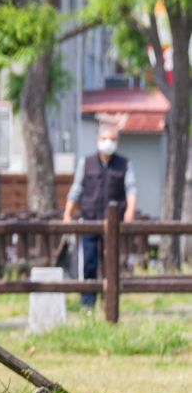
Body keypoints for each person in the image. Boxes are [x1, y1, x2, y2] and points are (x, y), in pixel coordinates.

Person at [67, 125, 136, 307]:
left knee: (111, 262)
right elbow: (77, 189)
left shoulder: (124, 164)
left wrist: (130, 211)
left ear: (117, 142)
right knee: (88, 261)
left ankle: (110, 301)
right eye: (104, 138)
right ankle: (88, 301)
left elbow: (131, 189)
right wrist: (68, 213)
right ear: (97, 141)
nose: (108, 143)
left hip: (113, 222)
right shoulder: (86, 162)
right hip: (89, 219)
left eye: (112, 139)